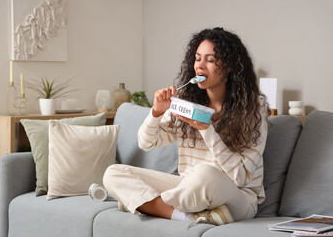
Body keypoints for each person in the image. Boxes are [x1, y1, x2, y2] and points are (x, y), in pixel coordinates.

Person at [103, 27, 270, 226]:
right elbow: (146, 142)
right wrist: (156, 112)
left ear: (228, 67)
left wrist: (206, 130)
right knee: (114, 173)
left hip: (237, 197)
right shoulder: (186, 102)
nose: (200, 66)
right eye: (197, 58)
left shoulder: (253, 108)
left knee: (205, 174)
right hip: (190, 189)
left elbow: (241, 178)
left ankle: (142, 203)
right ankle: (181, 215)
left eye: (209, 60)